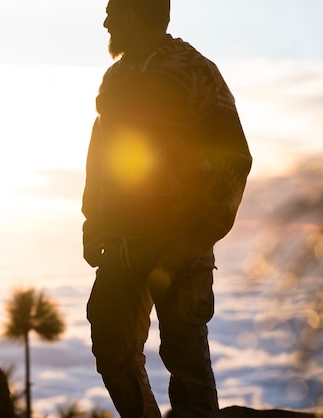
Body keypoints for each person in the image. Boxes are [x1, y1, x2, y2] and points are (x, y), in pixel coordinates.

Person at [81, 0, 252, 417]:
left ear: (138, 12)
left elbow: (233, 159)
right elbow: (101, 151)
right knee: (111, 346)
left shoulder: (193, 71)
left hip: (177, 249)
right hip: (121, 245)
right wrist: (93, 220)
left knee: (185, 363)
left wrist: (193, 238)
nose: (105, 19)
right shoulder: (117, 76)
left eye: (113, 10)